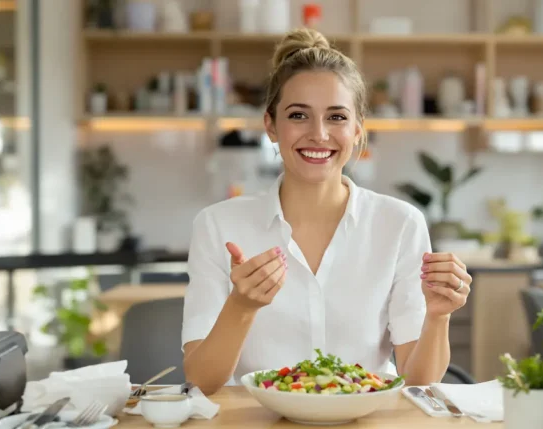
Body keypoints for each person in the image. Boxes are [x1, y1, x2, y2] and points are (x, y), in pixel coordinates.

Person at [181, 28, 472, 395]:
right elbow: (200, 380)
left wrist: (438, 315)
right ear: (270, 125)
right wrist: (241, 306)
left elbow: (418, 384)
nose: (319, 134)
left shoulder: (399, 225)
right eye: (299, 115)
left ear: (357, 129)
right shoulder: (218, 225)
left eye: (336, 117)